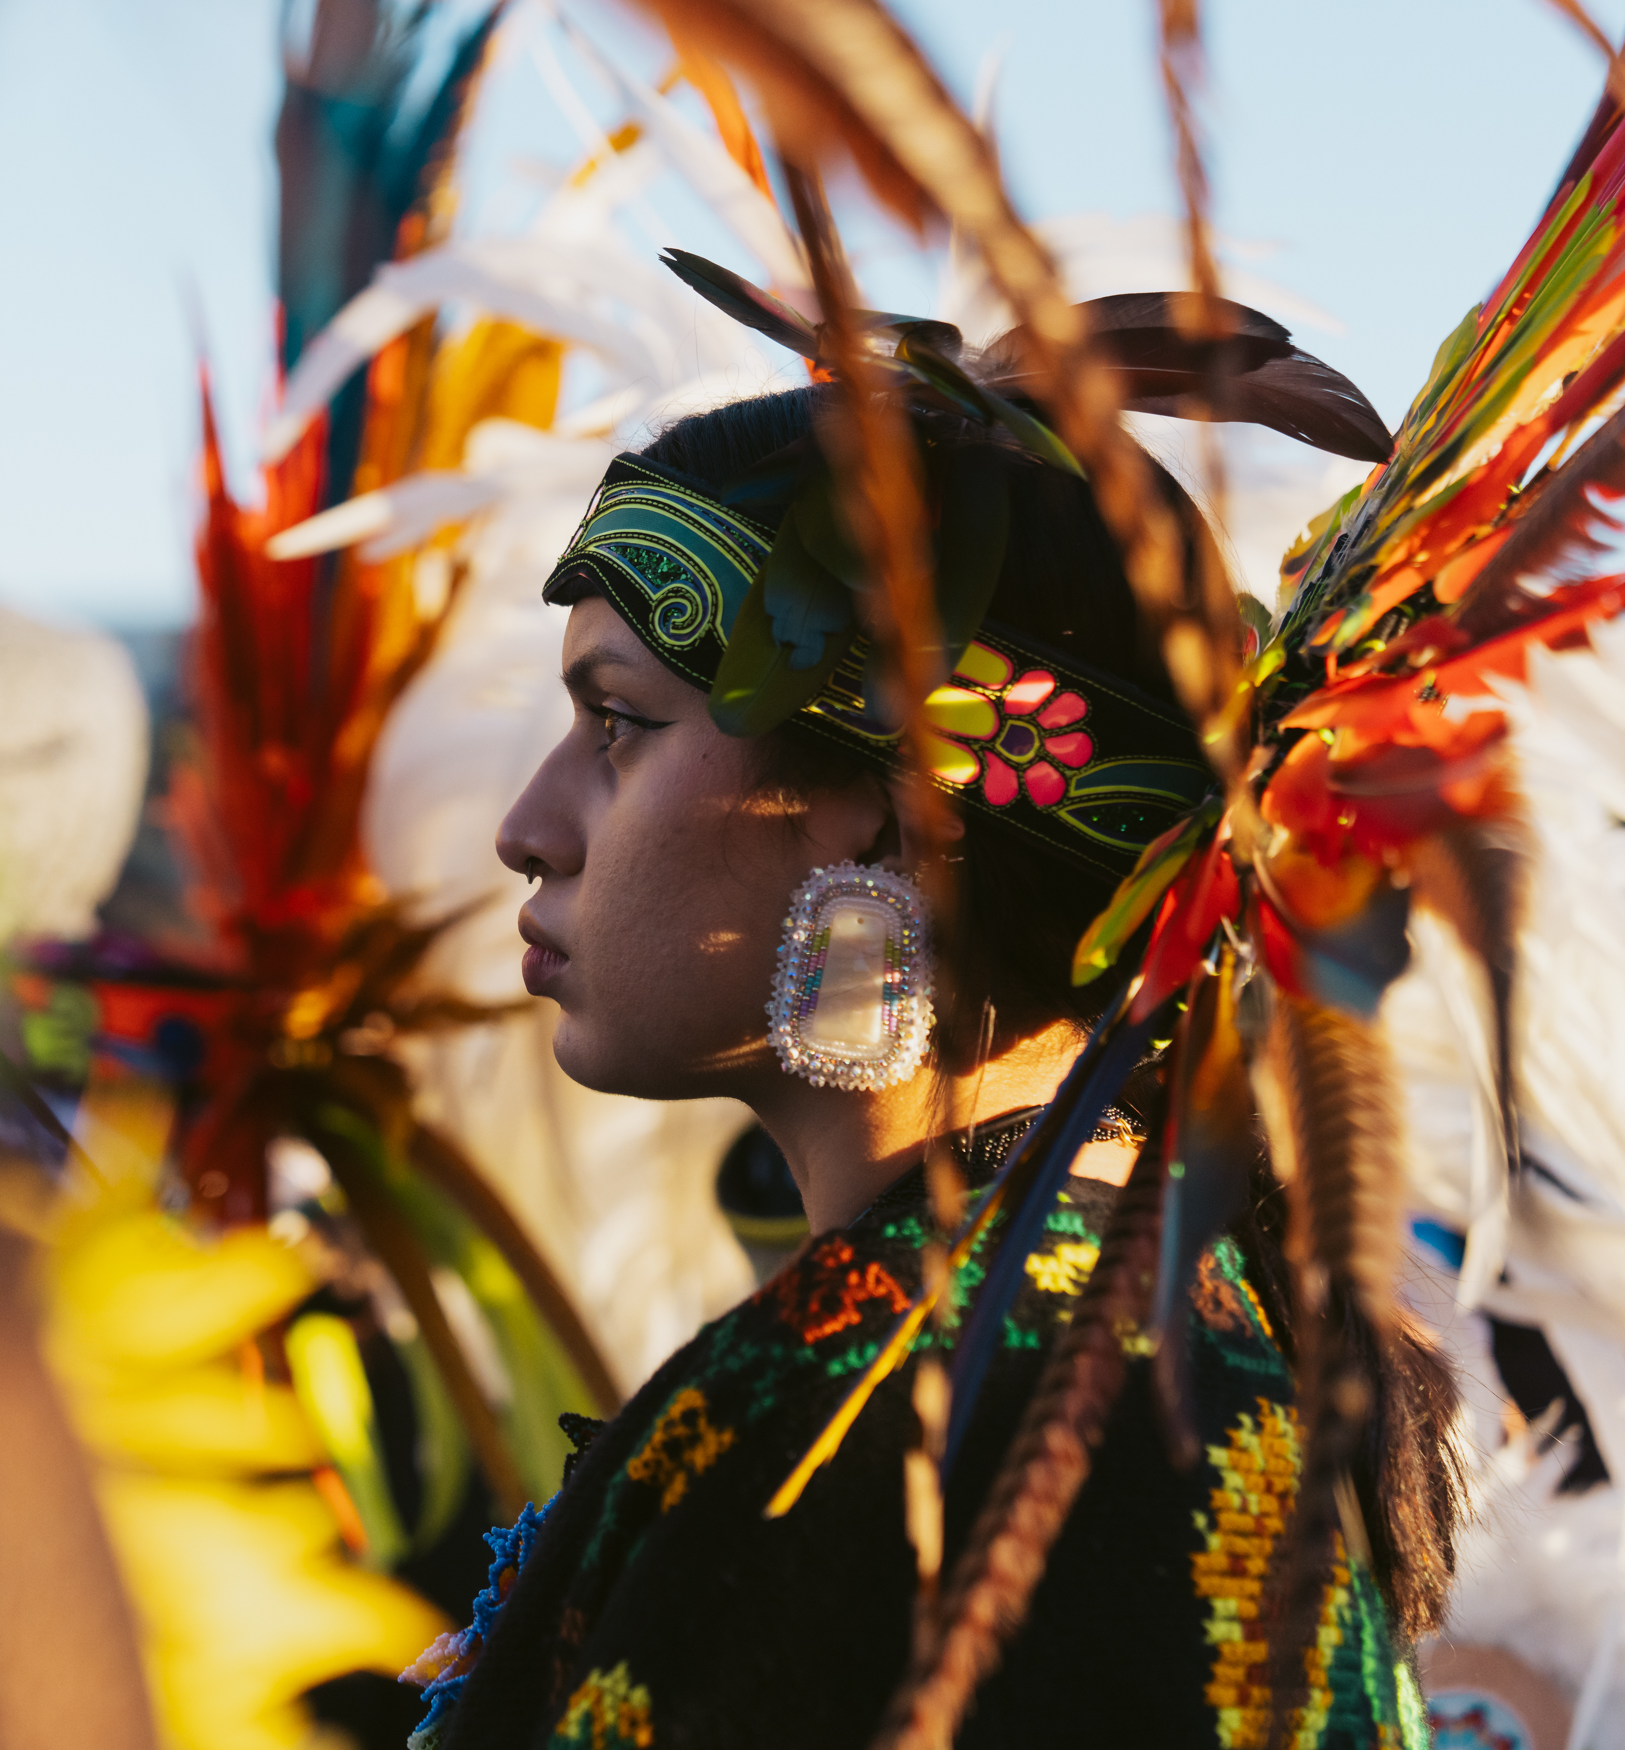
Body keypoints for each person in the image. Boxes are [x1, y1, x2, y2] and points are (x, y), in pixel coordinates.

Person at [408, 381, 1457, 1749]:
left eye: (618, 724)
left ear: (888, 822)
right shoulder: (1160, 1315)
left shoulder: (866, 1423)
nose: (527, 826)